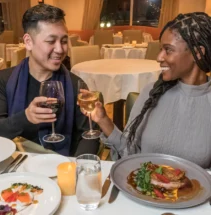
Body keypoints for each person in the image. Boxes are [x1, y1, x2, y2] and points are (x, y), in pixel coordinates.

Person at [88, 12, 211, 168]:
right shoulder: (151, 92)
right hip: (142, 191)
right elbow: (129, 151)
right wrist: (103, 120)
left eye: (168, 50)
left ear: (198, 53)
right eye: (161, 49)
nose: (159, 57)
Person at [0, 4, 100, 156]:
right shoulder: (3, 80)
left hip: (62, 166)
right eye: (51, 41)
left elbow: (89, 135)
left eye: (64, 41)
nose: (59, 49)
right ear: (28, 42)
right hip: (16, 164)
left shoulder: (75, 84)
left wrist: (79, 169)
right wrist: (25, 117)